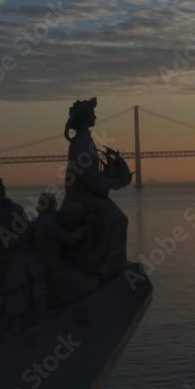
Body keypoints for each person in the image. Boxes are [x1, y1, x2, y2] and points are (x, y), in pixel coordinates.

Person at [63, 97, 130, 277]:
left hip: (88, 193)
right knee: (117, 220)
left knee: (115, 219)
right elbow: (89, 179)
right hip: (83, 197)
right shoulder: (81, 144)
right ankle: (105, 264)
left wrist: (108, 178)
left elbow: (91, 175)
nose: (95, 115)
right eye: (92, 113)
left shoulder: (85, 142)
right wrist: (112, 182)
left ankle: (109, 262)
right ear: (85, 118)